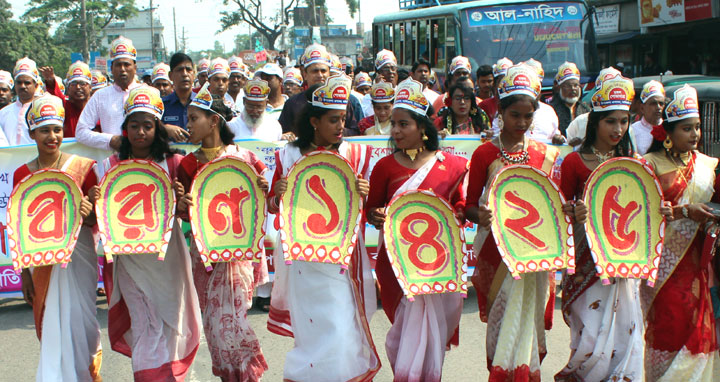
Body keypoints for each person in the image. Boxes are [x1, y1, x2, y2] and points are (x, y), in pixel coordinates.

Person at [267, 75, 380, 381]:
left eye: (343, 119)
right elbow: (271, 206)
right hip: (304, 260)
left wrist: (363, 191)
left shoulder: (353, 155)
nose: (340, 126)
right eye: (333, 120)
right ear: (314, 121)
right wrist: (278, 191)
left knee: (342, 327)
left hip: (340, 257)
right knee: (313, 328)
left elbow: (364, 208)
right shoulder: (289, 155)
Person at [96, 86, 202, 380]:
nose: (141, 132)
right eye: (134, 125)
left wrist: (182, 204)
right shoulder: (108, 166)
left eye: (148, 125)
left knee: (172, 322)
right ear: (125, 128)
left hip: (168, 258)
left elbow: (188, 212)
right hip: (131, 260)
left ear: (158, 128)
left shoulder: (173, 163)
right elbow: (100, 214)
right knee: (144, 324)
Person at [366, 78, 467, 381]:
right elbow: (370, 209)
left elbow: (461, 207)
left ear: (422, 128)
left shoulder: (452, 166)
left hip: (438, 263)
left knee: (432, 333)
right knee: (404, 332)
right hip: (398, 263)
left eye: (403, 124)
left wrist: (457, 213)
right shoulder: (385, 167)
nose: (394, 131)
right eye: (393, 124)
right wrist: (377, 215)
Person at [464, 65, 562, 380]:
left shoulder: (544, 155)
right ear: (501, 113)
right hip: (497, 251)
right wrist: (479, 215)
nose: (521, 123)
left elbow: (552, 204)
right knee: (502, 319)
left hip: (534, 255)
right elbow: (468, 205)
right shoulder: (484, 154)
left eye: (527, 116)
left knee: (528, 325)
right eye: (514, 115)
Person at [555, 75, 651, 381]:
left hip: (623, 262)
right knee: (591, 335)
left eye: (624, 121)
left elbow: (642, 213)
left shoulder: (633, 163)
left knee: (627, 332)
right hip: (587, 263)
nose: (618, 129)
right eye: (611, 121)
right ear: (595, 121)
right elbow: (560, 213)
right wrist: (573, 212)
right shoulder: (574, 162)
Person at [176, 83, 270, 381]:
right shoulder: (187, 164)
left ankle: (246, 376)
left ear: (213, 120)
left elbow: (265, 201)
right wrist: (182, 204)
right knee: (215, 327)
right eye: (188, 119)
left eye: (194, 119)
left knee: (237, 322)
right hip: (204, 255)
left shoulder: (246, 159)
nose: (188, 125)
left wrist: (268, 188)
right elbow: (181, 213)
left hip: (239, 254)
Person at [17, 94, 102, 381]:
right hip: (42, 263)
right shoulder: (22, 174)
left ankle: (85, 374)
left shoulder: (83, 168)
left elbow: (93, 219)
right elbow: (18, 228)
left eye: (56, 129)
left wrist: (89, 210)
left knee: (82, 323)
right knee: (53, 324)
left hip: (79, 257)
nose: (52, 136)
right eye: (44, 130)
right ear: (32, 133)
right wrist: (25, 276)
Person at [642, 84, 720, 380]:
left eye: (697, 128)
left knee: (697, 327)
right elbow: (641, 216)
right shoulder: (648, 165)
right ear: (668, 133)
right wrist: (684, 211)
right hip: (663, 267)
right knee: (669, 325)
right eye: (687, 128)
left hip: (699, 263)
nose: (695, 135)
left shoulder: (708, 166)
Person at [279, 43, 361, 137]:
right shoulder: (292, 104)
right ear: (305, 74)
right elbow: (281, 134)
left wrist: (332, 130)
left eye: (323, 71)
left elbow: (354, 133)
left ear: (329, 73)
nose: (320, 75)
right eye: (315, 71)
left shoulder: (342, 100)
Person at [76, 36, 140, 151]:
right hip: (112, 162)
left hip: (143, 162)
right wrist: (110, 140)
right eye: (118, 65)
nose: (122, 69)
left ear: (135, 68)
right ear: (111, 68)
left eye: (127, 64)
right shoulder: (100, 96)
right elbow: (81, 132)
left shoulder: (148, 93)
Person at [566, 67, 622, 147]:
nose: (618, 129)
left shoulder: (627, 127)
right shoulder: (580, 122)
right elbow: (565, 151)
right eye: (610, 121)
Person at [39, 61, 92, 138]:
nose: (78, 87)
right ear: (68, 88)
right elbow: (56, 95)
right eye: (73, 84)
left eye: (82, 83)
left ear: (90, 87)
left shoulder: (97, 109)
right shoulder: (64, 108)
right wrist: (50, 81)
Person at [0, 57, 40, 146]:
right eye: (19, 82)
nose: (22, 86)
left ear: (36, 85)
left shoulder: (41, 111)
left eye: (27, 83)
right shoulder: (3, 113)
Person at [550, 62, 590, 137]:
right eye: (568, 86)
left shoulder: (586, 109)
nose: (573, 89)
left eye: (576, 85)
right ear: (559, 88)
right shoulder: (551, 110)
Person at [161, 52, 195, 140]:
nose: (184, 74)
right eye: (180, 70)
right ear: (170, 76)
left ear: (194, 74)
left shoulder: (203, 103)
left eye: (188, 70)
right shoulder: (161, 105)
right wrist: (164, 129)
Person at [630, 80, 666, 155]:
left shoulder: (669, 129)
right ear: (642, 108)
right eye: (653, 103)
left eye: (661, 103)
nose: (658, 107)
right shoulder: (632, 131)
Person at [361, 50, 399, 117]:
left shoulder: (402, 93)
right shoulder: (369, 97)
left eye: (393, 68)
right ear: (379, 73)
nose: (390, 72)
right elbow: (368, 114)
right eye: (386, 69)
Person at [479, 57, 513, 125]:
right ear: (495, 84)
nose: (504, 85)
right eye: (501, 80)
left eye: (507, 81)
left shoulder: (519, 104)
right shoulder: (484, 105)